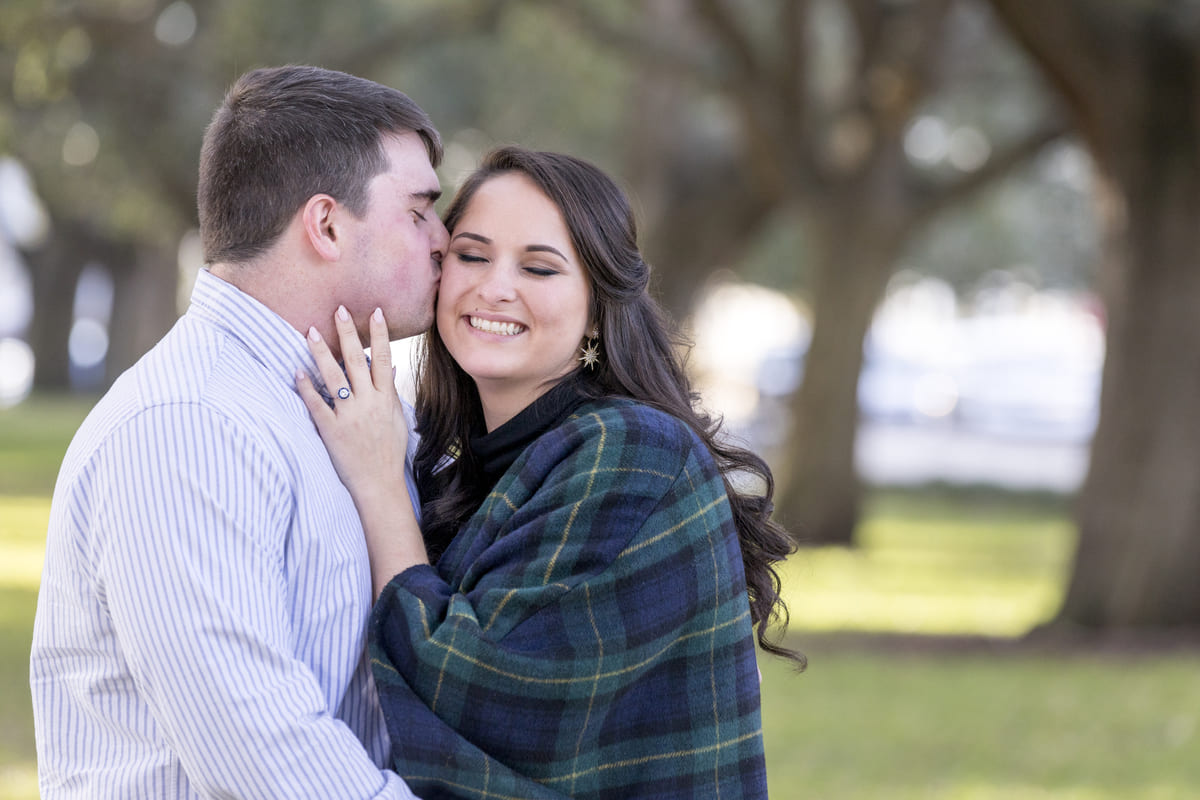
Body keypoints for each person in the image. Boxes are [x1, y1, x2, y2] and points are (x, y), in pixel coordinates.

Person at [299, 146, 803, 799]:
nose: (494, 287)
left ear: (596, 309)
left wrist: (377, 484)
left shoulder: (635, 453)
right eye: (472, 255)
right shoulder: (459, 462)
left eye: (539, 267)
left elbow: (485, 692)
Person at [30, 65, 448, 798]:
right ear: (325, 224)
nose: (447, 241)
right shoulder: (189, 427)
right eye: (419, 213)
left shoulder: (357, 411)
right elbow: (265, 756)